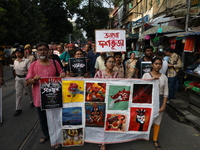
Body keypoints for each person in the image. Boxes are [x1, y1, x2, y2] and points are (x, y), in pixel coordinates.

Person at [26, 42, 65, 149]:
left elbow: (62, 75)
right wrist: (34, 79)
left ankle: (57, 137)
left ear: (48, 51)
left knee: (56, 117)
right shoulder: (33, 65)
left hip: (54, 97)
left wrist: (62, 75)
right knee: (42, 118)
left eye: (44, 49)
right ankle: (46, 134)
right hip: (40, 98)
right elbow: (28, 81)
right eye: (40, 50)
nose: (42, 51)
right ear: (37, 52)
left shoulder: (55, 63)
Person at [142, 57, 168, 150]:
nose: (158, 65)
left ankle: (155, 139)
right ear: (152, 65)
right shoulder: (146, 75)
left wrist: (164, 104)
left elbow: (165, 93)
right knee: (146, 118)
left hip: (160, 99)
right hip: (148, 100)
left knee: (158, 120)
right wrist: (151, 81)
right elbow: (142, 89)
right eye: (156, 63)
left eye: (160, 64)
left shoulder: (164, 77)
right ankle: (143, 135)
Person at [94, 56, 119, 150]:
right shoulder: (99, 73)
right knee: (101, 120)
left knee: (109, 119)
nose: (111, 63)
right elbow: (94, 86)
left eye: (113, 62)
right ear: (105, 63)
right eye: (109, 61)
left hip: (111, 101)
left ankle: (107, 139)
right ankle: (102, 142)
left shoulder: (117, 75)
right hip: (100, 100)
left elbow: (119, 87)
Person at [13, 47, 34, 116]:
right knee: (18, 94)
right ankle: (18, 109)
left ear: (22, 53)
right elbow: (15, 70)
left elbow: (30, 71)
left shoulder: (26, 61)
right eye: (16, 53)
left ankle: (32, 102)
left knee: (29, 91)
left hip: (26, 78)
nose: (17, 54)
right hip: (18, 78)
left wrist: (29, 79)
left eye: (19, 53)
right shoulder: (15, 61)